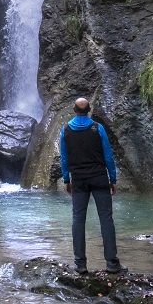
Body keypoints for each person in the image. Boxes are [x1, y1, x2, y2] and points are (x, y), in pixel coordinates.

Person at [58, 97, 122, 274]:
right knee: (106, 219)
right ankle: (112, 263)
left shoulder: (65, 130)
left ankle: (80, 264)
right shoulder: (97, 128)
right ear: (89, 110)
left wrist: (66, 179)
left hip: (78, 180)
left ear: (74, 110)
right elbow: (108, 156)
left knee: (78, 220)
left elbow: (64, 158)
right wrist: (113, 179)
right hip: (99, 178)